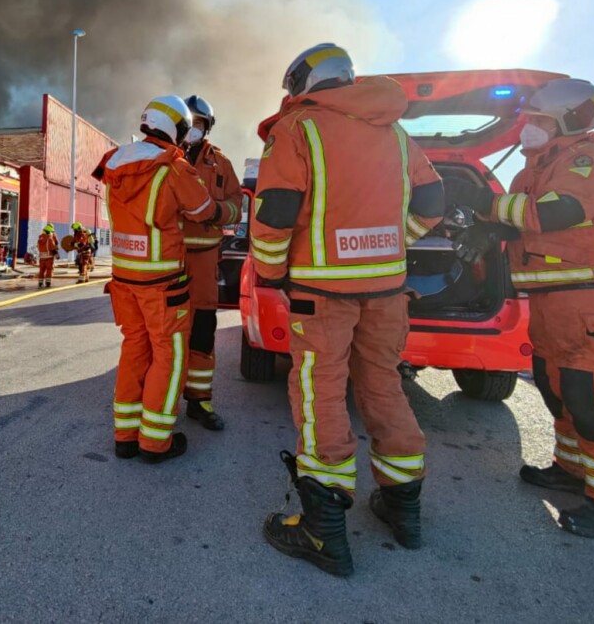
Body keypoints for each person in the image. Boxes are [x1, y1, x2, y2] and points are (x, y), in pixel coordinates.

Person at [251, 44, 444, 576]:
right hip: (386, 290)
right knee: (383, 385)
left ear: (304, 83)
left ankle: (323, 531)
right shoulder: (394, 131)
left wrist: (271, 272)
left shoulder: (300, 128)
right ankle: (404, 512)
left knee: (320, 393)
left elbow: (276, 212)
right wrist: (390, 248)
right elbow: (432, 203)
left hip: (321, 293)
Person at [449, 78, 594, 539]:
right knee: (555, 386)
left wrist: (486, 204)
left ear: (571, 117)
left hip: (588, 301)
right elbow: (524, 222)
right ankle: (572, 468)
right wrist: (490, 232)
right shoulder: (535, 170)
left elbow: (559, 211)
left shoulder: (588, 159)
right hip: (549, 302)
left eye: (539, 120)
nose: (529, 128)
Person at [92, 96, 228, 463]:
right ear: (175, 129)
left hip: (124, 280)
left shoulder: (116, 164)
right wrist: (223, 211)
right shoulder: (173, 168)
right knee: (169, 356)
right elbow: (203, 210)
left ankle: (125, 437)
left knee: (135, 350)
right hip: (163, 284)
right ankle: (155, 443)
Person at [179, 95, 243, 431]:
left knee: (202, 333)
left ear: (207, 127)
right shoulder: (163, 159)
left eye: (199, 123)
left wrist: (218, 212)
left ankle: (199, 402)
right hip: (167, 263)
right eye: (188, 122)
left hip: (204, 265)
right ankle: (157, 399)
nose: (192, 129)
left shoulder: (221, 163)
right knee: (163, 335)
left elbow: (236, 203)